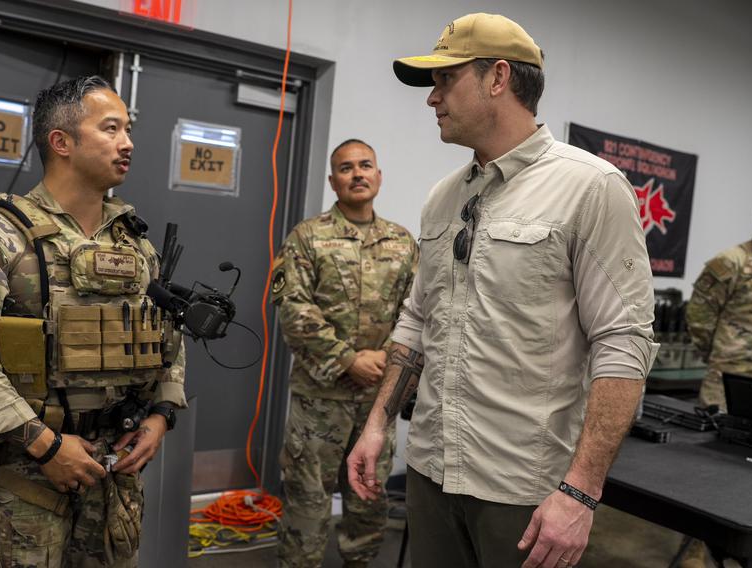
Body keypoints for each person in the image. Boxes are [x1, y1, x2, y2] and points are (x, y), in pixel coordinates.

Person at [346, 13, 658, 568]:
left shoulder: (591, 187)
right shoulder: (444, 197)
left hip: (522, 490)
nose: (432, 98)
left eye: (445, 80)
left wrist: (581, 492)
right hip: (430, 471)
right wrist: (376, 426)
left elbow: (623, 342)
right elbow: (419, 318)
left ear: (497, 77)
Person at [0, 75, 186, 567]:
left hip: (114, 479)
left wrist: (160, 416)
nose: (127, 142)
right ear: (61, 142)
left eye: (128, 129)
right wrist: (45, 445)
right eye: (111, 128)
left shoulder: (135, 246)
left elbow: (167, 337)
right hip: (28, 480)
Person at [270, 139, 418, 567]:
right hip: (319, 401)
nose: (357, 173)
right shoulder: (307, 237)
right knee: (307, 504)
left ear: (378, 176)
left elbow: (417, 313)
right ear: (333, 181)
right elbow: (293, 309)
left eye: (365, 165)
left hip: (377, 400)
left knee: (369, 501)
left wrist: (384, 360)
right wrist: (348, 359)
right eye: (346, 167)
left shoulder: (403, 243)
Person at [680, 188, 752, 568]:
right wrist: (716, 359)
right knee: (711, 476)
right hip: (728, 385)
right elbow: (698, 318)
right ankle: (697, 549)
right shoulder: (730, 262)